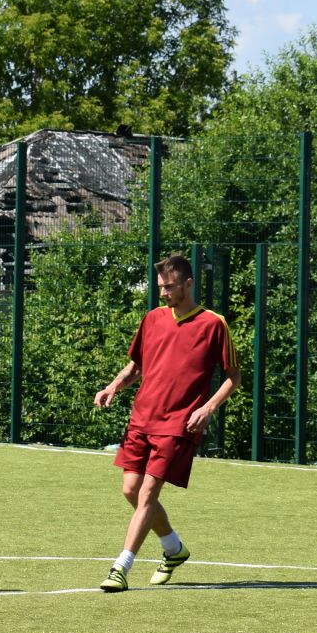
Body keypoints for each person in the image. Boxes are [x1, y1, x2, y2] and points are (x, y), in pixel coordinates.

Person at [92, 254, 238, 592]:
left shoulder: (214, 324)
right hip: (142, 418)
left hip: (179, 424)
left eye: (169, 287)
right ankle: (173, 547)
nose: (163, 293)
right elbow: (135, 367)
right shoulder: (152, 319)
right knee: (129, 489)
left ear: (188, 284)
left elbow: (234, 376)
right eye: (160, 287)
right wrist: (113, 386)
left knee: (147, 492)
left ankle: (121, 566)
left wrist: (209, 407)